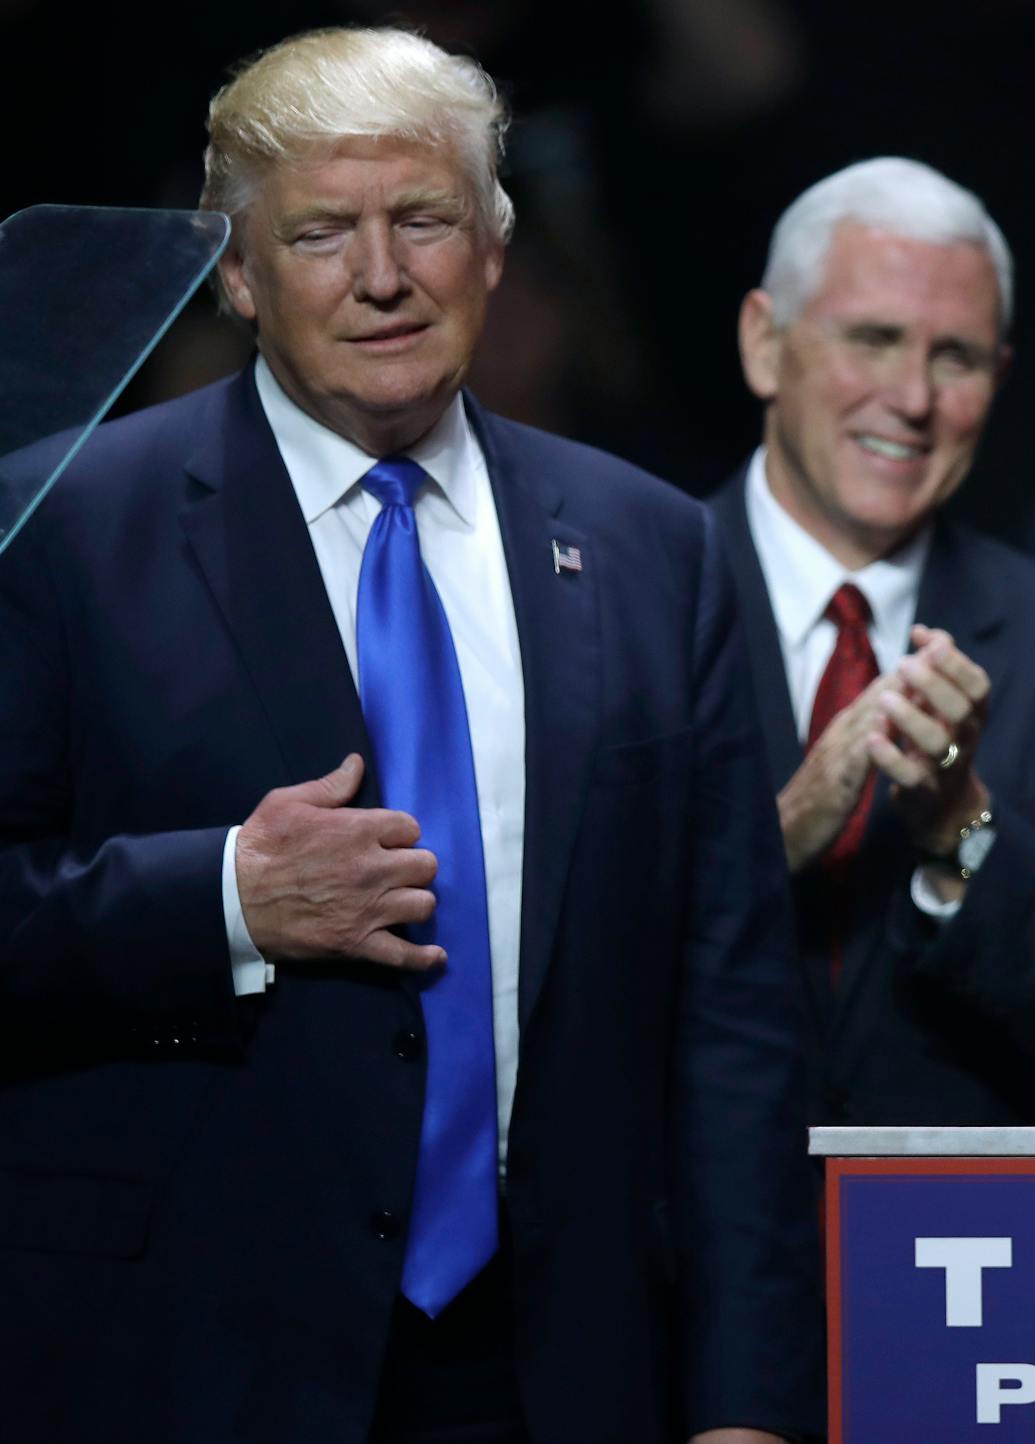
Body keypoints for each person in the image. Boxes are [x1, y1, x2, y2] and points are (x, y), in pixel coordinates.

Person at [0, 29, 816, 1444]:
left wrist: (745, 1400)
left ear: (494, 250)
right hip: (185, 1358)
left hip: (561, 1372)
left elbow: (730, 1008)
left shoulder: (649, 548)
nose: (383, 276)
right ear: (238, 275)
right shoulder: (63, 525)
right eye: (321, 232)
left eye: (424, 220)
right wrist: (223, 902)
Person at [708, 158, 1035, 1127]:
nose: (911, 396)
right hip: (674, 1259)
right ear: (764, 344)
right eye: (872, 339)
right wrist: (776, 835)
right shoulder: (627, 602)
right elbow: (547, 978)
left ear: (997, 380)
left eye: (954, 356)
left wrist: (963, 826)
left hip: (963, 1258)